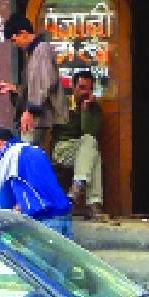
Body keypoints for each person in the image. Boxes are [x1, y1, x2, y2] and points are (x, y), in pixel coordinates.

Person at [0, 14, 68, 148]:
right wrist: (14, 88)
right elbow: (36, 85)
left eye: (14, 40)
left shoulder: (41, 49)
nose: (15, 44)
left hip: (40, 118)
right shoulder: (34, 52)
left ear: (23, 33)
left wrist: (30, 111)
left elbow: (44, 83)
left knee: (28, 153)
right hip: (38, 118)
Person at [0, 128, 72, 230]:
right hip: (63, 212)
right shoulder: (36, 150)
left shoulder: (10, 152)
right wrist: (20, 204)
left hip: (45, 216)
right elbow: (36, 184)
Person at [51, 70, 105, 219]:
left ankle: (78, 187)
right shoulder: (63, 105)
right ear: (73, 87)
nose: (85, 92)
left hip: (84, 150)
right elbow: (63, 132)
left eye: (89, 88)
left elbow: (89, 131)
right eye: (82, 88)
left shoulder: (94, 109)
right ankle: (94, 204)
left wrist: (86, 111)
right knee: (93, 151)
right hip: (63, 149)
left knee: (92, 148)